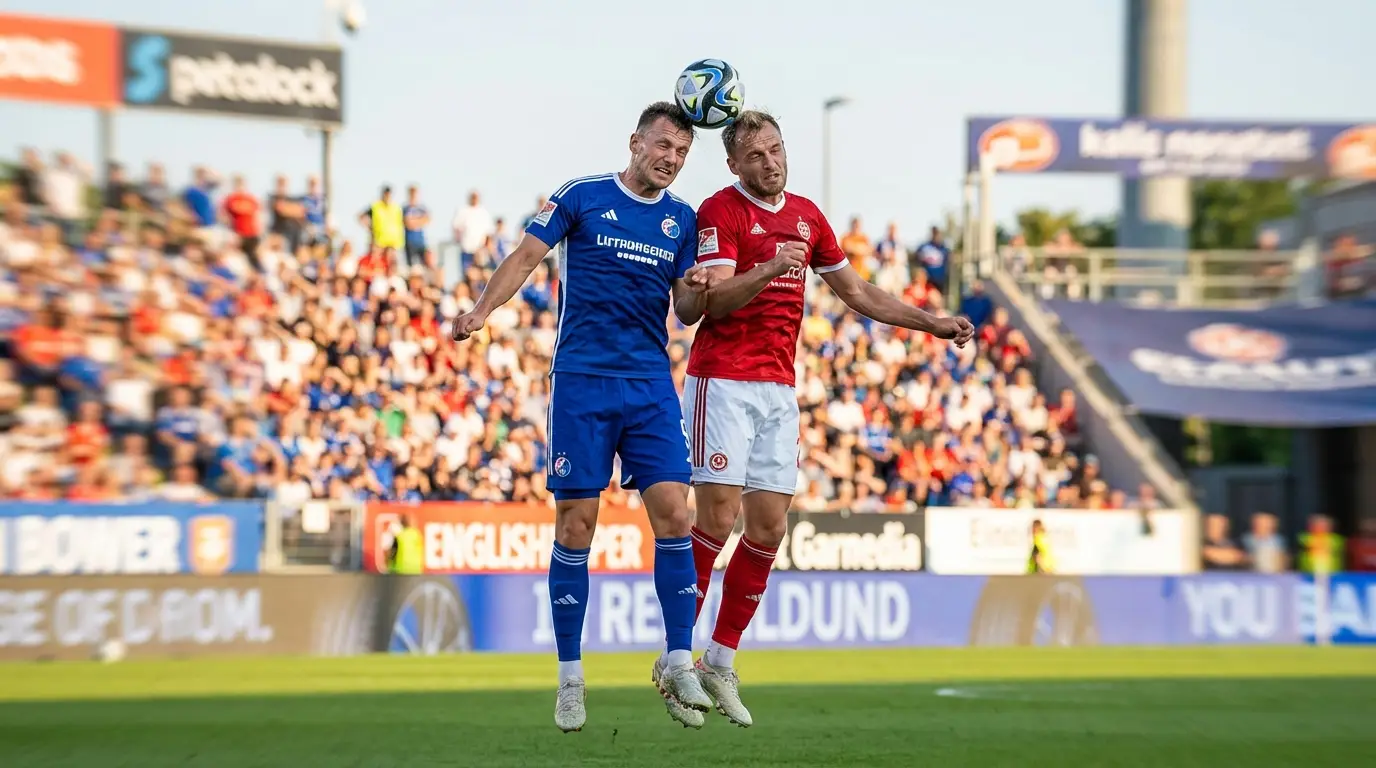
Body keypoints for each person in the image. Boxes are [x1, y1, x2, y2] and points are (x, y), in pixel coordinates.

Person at [679, 109, 974, 727]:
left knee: (768, 528)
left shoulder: (808, 216)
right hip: (722, 380)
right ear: (733, 164)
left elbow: (859, 293)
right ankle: (676, 654)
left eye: (776, 149)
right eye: (755, 155)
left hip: (778, 388)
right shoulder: (720, 211)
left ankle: (719, 660)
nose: (770, 163)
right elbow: (714, 303)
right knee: (718, 516)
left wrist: (932, 323)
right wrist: (769, 268)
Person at [450, 102, 719, 733]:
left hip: (649, 383)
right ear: (635, 142)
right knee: (576, 524)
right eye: (663, 145)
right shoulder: (582, 195)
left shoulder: (683, 219)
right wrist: (483, 310)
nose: (672, 159)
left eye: (682, 152)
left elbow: (686, 311)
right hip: (582, 382)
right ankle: (571, 677)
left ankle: (679, 660)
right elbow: (525, 256)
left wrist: (698, 286)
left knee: (676, 513)